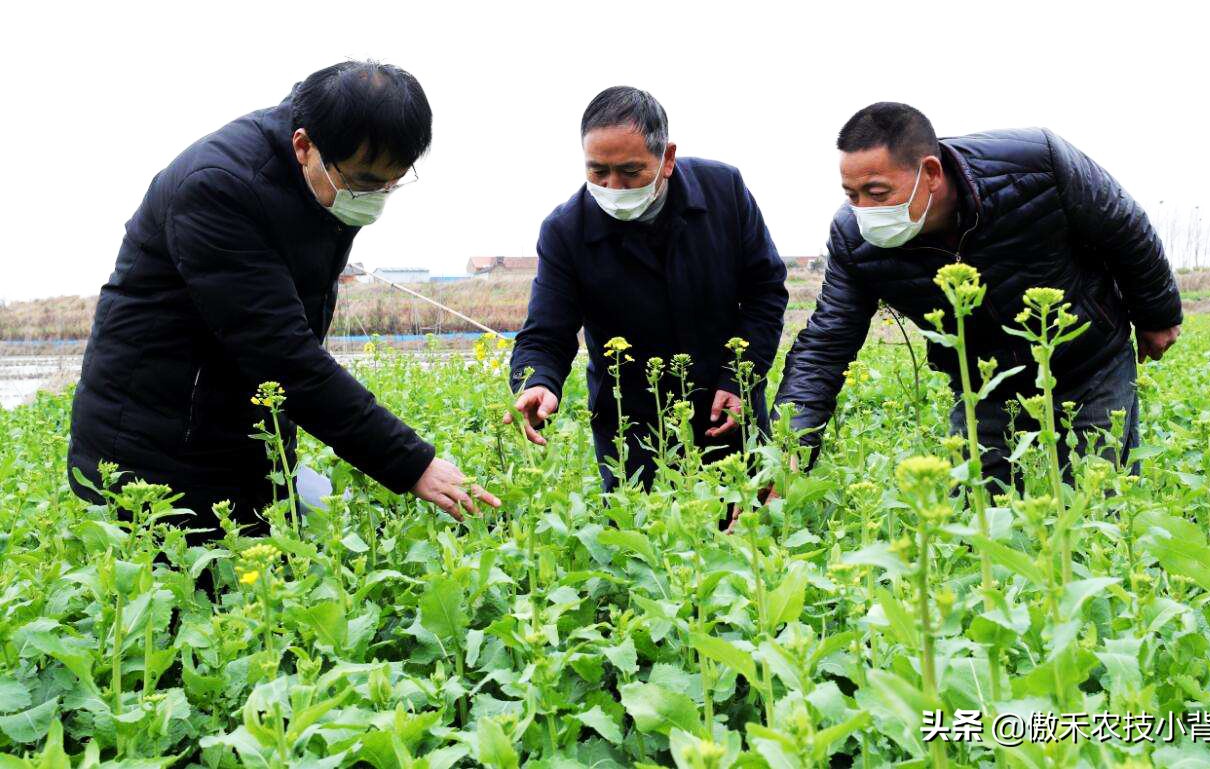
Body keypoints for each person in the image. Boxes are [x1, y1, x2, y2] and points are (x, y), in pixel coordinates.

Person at [68, 60, 499, 538]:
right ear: (303, 145)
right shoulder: (219, 187)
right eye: (364, 181)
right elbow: (282, 355)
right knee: (199, 579)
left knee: (282, 561)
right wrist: (410, 462)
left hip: (244, 433)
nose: (376, 197)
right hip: (156, 449)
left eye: (390, 183)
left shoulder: (320, 183)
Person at [771, 102, 1182, 493]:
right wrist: (789, 449)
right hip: (983, 386)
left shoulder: (1036, 163)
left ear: (930, 172)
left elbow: (1124, 227)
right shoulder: (853, 239)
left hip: (1088, 362)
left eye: (877, 193)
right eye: (851, 195)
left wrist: (1157, 314)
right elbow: (827, 343)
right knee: (979, 510)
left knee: (1097, 499)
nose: (864, 210)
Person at [507, 86, 788, 490]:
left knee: (743, 518)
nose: (613, 187)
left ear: (667, 159)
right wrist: (536, 382)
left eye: (630, 171)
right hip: (633, 430)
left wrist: (739, 379)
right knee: (641, 524)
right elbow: (546, 333)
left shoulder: (723, 191)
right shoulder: (566, 230)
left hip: (726, 412)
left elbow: (766, 291)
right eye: (598, 172)